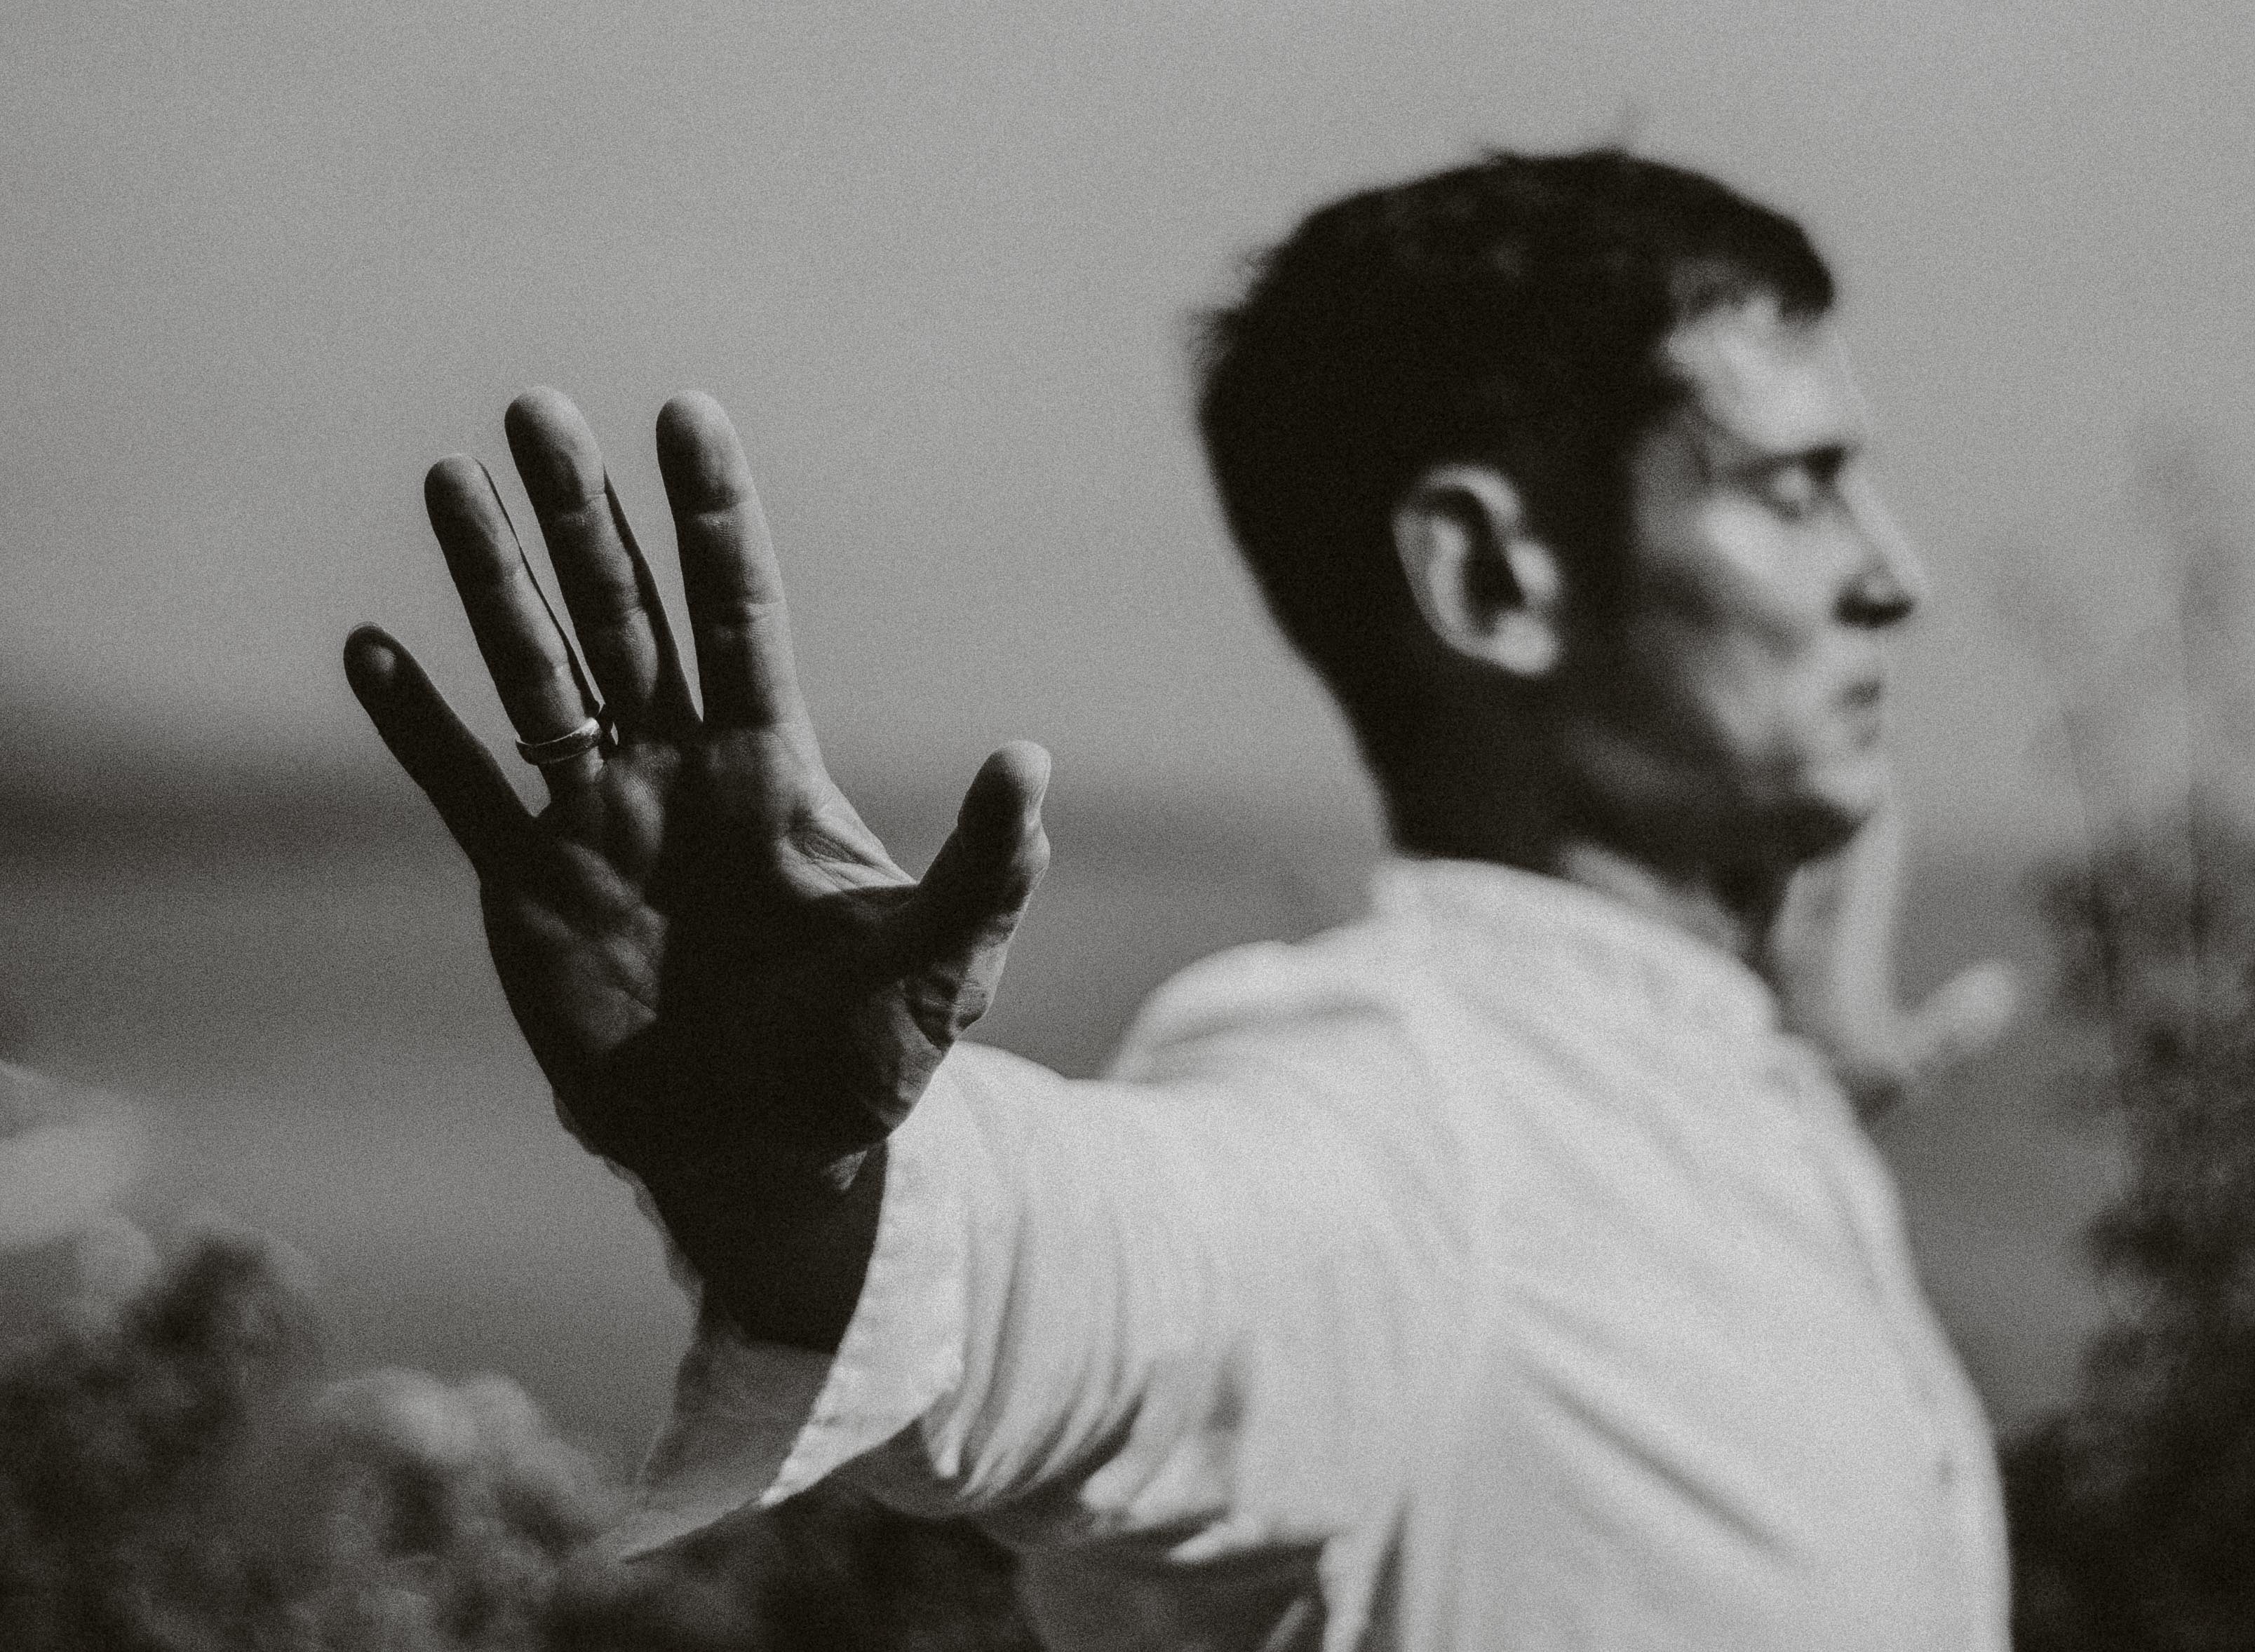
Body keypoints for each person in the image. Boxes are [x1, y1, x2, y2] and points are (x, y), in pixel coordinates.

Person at [344, 149, 2019, 1651]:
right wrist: (800, 1174)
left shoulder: (1649, 1099)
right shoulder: (1403, 1129)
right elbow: (1099, 1268)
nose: (1893, 571)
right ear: (1491, 572)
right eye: (1794, 488)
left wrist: (1799, 1073)